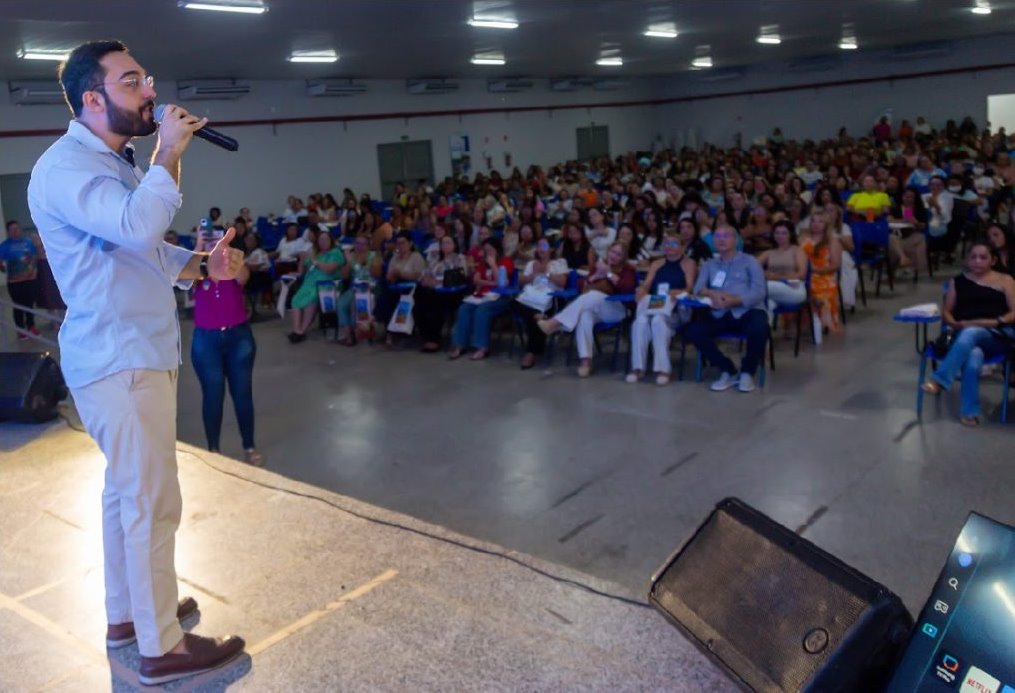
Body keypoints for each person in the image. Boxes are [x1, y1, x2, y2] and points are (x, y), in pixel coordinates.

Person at [26, 41, 245, 684]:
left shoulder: (110, 161)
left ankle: (129, 616)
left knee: (127, 493)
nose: (150, 91)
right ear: (93, 99)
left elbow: (141, 248)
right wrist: (168, 154)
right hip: (119, 357)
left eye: (146, 78)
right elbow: (135, 226)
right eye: (131, 81)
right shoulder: (66, 169)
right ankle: (162, 648)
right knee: (151, 500)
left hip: (132, 350)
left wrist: (202, 265)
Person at [922, 242, 1015, 427]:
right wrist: (953, 323)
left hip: (997, 335)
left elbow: (1014, 312)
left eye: (983, 257)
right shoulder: (957, 282)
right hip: (964, 335)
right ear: (967, 260)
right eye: (973, 257)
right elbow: (947, 311)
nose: (977, 261)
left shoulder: (1006, 280)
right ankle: (969, 412)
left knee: (972, 331)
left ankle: (939, 380)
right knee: (973, 356)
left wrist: (993, 322)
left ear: (993, 260)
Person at [191, 229, 263, 466]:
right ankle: (214, 451)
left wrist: (225, 251)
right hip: (206, 340)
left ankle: (249, 447)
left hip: (238, 337)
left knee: (242, 394)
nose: (213, 243)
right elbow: (186, 279)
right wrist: (199, 248)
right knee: (213, 395)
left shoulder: (231, 260)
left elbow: (243, 277)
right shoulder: (196, 264)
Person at [686, 226, 768, 393]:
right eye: (717, 236)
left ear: (736, 240)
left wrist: (736, 300)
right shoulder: (710, 264)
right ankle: (727, 369)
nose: (721, 239)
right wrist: (712, 293)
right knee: (693, 331)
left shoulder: (750, 261)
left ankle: (747, 371)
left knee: (760, 327)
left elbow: (759, 292)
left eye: (726, 236)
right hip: (720, 312)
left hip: (747, 310)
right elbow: (698, 289)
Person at [537, 242, 636, 377]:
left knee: (593, 295)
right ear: (608, 251)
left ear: (623, 258)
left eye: (619, 254)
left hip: (619, 308)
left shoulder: (628, 270)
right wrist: (596, 276)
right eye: (613, 252)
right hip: (597, 308)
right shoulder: (599, 265)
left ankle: (555, 323)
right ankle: (586, 362)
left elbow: (627, 287)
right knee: (585, 315)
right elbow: (581, 286)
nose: (614, 256)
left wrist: (608, 273)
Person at [626, 234, 697, 385]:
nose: (669, 247)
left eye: (674, 244)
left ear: (683, 247)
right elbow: (647, 284)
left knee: (658, 321)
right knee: (640, 322)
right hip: (656, 303)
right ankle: (638, 367)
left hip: (676, 307)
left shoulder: (689, 263)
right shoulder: (656, 263)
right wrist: (641, 289)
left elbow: (690, 288)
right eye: (667, 244)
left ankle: (663, 369)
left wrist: (678, 292)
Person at [448, 236, 514, 361]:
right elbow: (476, 280)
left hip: (500, 297)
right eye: (486, 250)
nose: (488, 253)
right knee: (464, 308)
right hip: (482, 296)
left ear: (497, 250)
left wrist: (493, 265)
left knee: (482, 310)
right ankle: (459, 344)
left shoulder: (506, 261)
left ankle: (482, 347)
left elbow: (502, 283)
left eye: (490, 250)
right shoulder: (483, 264)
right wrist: (491, 283)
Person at [514, 238, 569, 369]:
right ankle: (537, 316)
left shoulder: (559, 262)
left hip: (551, 298)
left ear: (551, 249)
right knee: (512, 302)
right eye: (538, 246)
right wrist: (533, 274)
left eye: (544, 246)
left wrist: (547, 273)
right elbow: (520, 282)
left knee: (533, 316)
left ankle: (530, 353)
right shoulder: (532, 263)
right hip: (531, 298)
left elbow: (562, 282)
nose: (540, 249)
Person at [288, 229, 346, 343]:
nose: (323, 242)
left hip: (327, 283)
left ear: (331, 241)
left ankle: (302, 330)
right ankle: (296, 329)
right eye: (320, 240)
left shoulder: (335, 252)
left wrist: (315, 261)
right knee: (296, 299)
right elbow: (303, 269)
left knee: (312, 298)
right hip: (309, 282)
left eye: (325, 239)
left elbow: (329, 269)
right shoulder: (315, 253)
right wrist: (302, 259)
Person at [414, 234, 468, 352]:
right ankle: (426, 336)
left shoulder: (459, 258)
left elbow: (460, 278)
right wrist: (426, 280)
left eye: (448, 243)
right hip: (432, 291)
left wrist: (437, 282)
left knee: (433, 301)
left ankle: (434, 339)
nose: (445, 245)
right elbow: (424, 275)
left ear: (454, 245)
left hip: (451, 294)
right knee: (420, 298)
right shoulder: (435, 259)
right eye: (443, 243)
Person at [336, 234, 382, 345]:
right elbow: (345, 276)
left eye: (363, 244)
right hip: (355, 288)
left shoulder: (374, 256)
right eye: (357, 243)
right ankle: (348, 334)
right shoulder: (351, 256)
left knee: (355, 303)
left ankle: (358, 332)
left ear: (368, 245)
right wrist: (348, 262)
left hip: (371, 287)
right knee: (341, 303)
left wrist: (361, 263)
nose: (360, 246)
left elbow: (377, 274)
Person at [801, 214, 843, 335]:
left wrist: (816, 270)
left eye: (820, 221)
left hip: (824, 276)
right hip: (803, 274)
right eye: (813, 221)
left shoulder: (832, 241)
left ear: (826, 225)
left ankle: (822, 322)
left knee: (819, 290)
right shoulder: (803, 238)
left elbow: (835, 265)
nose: (816, 224)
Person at [0, 220, 41, 339]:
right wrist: (4, 269)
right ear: (8, 232)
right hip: (14, 282)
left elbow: (34, 257)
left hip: (30, 279)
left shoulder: (28, 242)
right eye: (12, 229)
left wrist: (32, 269)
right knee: (18, 305)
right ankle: (20, 329)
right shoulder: (4, 246)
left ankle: (31, 326)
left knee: (29, 304)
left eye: (17, 228)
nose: (15, 231)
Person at [758, 220, 808, 313]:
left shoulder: (797, 251)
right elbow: (752, 268)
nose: (780, 236)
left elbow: (801, 275)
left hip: (794, 288)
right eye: (777, 233)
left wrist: (776, 277)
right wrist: (763, 273)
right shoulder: (769, 252)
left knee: (761, 287)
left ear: (790, 235)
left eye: (784, 233)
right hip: (773, 290)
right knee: (766, 304)